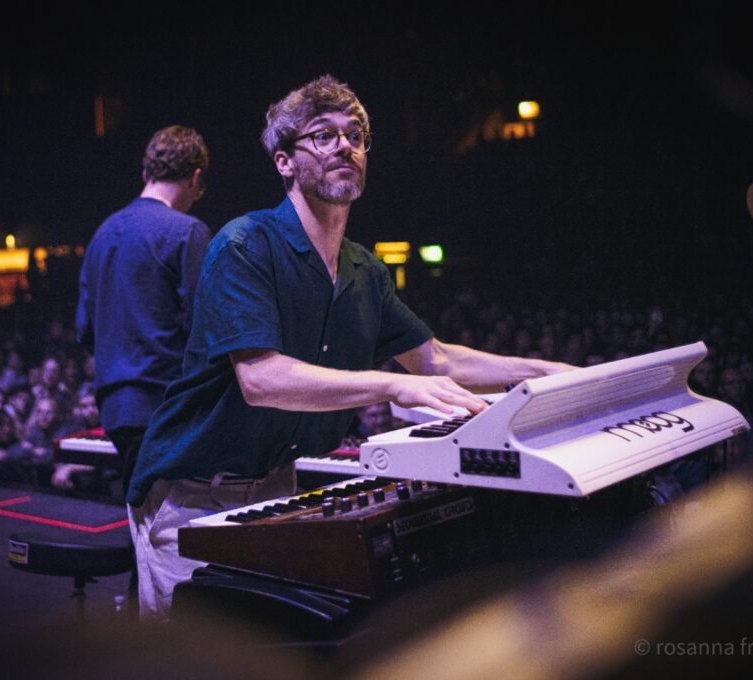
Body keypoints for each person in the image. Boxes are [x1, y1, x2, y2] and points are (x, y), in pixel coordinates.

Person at [125, 74, 575, 621]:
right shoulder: (243, 244)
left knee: (270, 650)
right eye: (323, 134)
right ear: (284, 162)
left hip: (277, 484)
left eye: (356, 135)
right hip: (193, 493)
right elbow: (262, 379)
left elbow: (437, 360)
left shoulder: (364, 268)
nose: (345, 145)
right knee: (197, 659)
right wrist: (391, 382)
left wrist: (547, 371)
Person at [76, 124, 211, 495]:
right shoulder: (188, 231)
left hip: (116, 411)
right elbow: (203, 329)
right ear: (196, 177)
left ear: (145, 173)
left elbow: (85, 331)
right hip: (168, 408)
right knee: (175, 534)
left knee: (144, 520)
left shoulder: (101, 234)